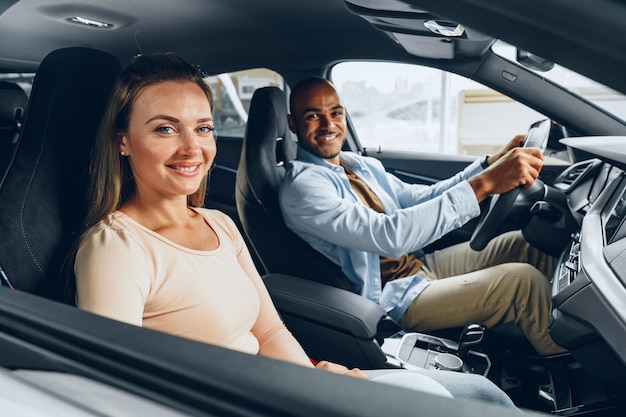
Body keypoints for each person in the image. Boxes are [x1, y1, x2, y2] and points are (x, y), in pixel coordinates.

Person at [70, 53, 517, 407]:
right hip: (237, 401)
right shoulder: (116, 248)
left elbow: (267, 332)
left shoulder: (218, 224)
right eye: (165, 128)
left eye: (203, 128)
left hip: (282, 387)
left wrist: (310, 381)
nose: (193, 148)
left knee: (484, 396)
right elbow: (117, 390)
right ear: (123, 140)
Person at [279, 76, 567, 357]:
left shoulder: (355, 164)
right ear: (293, 124)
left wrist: (488, 165)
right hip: (394, 299)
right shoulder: (303, 187)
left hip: (419, 265)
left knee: (523, 244)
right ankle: (572, 368)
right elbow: (388, 235)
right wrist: (485, 184)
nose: (329, 125)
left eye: (336, 113)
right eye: (313, 116)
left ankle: (565, 322)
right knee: (521, 283)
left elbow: (420, 198)